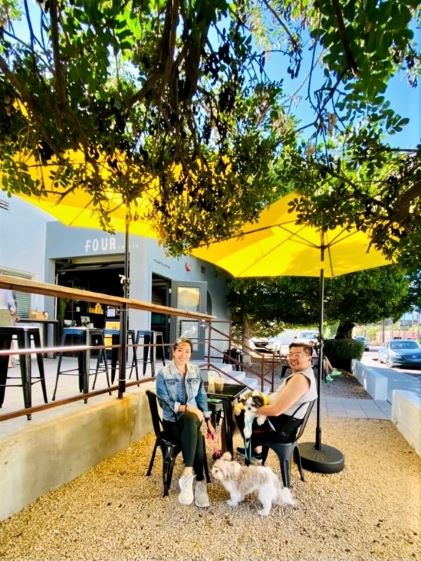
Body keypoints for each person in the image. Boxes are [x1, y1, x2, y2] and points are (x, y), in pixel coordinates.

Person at [156, 337, 215, 508]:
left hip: (193, 418)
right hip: (172, 422)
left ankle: (188, 473)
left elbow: (201, 397)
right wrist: (188, 409)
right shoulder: (164, 373)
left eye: (187, 351)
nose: (184, 354)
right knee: (195, 433)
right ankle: (200, 482)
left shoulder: (196, 370)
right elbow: (164, 402)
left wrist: (209, 420)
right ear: (174, 352)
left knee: (191, 421)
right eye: (180, 350)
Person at [236, 341, 318, 461]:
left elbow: (275, 411)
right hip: (285, 426)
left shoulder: (300, 379)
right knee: (240, 409)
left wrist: (250, 407)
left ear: (309, 358)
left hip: (278, 431)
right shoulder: (303, 374)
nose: (292, 358)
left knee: (235, 412)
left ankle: (253, 450)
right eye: (290, 354)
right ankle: (256, 450)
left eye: (298, 355)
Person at [0, 289, 18, 367]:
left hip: (4, 312)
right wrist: (13, 310)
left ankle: (9, 361)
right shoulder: (5, 286)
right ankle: (9, 362)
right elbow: (11, 303)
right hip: (3, 312)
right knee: (7, 339)